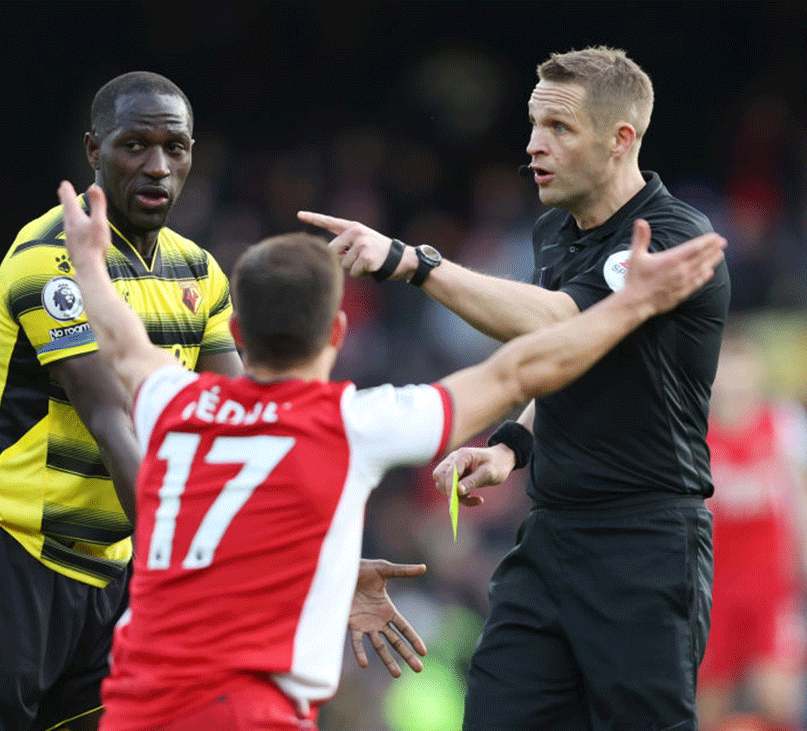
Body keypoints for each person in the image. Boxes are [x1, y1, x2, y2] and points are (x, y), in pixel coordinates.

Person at [57, 179, 725, 730]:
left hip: (133, 707)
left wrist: (89, 263)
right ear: (338, 330)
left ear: (234, 332)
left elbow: (122, 341)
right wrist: (631, 306)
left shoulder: (174, 402)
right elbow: (517, 371)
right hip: (246, 710)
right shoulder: (348, 421)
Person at [0, 71, 424, 731]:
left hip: (110, 569)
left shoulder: (200, 271)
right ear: (93, 150)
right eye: (134, 145)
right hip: (1, 554)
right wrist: (221, 569)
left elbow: (246, 427)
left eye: (175, 147)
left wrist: (318, 560)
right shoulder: (51, 257)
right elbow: (111, 417)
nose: (158, 166)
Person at [301, 46, 732, 730]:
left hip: (645, 539)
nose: (534, 144)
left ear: (621, 139)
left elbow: (564, 321)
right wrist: (509, 448)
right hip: (552, 534)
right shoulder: (554, 233)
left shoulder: (671, 236)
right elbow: (563, 359)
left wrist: (413, 263)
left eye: (559, 128)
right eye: (533, 124)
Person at [698, 328, 807, 731]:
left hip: (773, 584)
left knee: (777, 695)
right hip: (712, 587)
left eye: (743, 366)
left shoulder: (784, 422)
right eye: (726, 367)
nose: (735, 377)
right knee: (707, 700)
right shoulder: (694, 430)